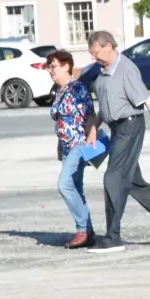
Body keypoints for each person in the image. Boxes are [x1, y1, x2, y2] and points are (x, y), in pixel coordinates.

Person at [85, 30, 150, 254]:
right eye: (92, 54)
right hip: (116, 128)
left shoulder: (126, 69)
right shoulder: (103, 72)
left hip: (130, 126)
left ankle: (113, 237)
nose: (94, 58)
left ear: (109, 46)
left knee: (113, 177)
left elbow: (148, 101)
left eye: (96, 53)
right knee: (133, 181)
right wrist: (94, 127)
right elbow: (107, 105)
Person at [46, 49, 97, 249]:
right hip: (67, 146)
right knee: (75, 188)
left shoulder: (78, 89)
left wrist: (91, 139)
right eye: (49, 67)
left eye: (54, 66)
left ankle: (83, 229)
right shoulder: (58, 91)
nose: (51, 70)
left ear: (67, 66)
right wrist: (59, 146)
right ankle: (87, 231)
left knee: (64, 184)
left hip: (79, 144)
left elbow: (91, 115)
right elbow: (61, 119)